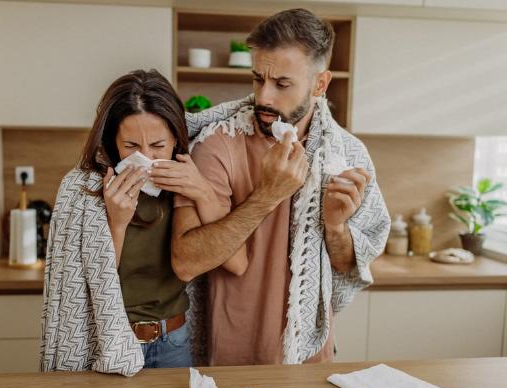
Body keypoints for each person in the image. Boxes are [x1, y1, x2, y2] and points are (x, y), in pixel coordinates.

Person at [165, 9, 391, 366]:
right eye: (258, 79)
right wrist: (267, 195)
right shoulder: (217, 145)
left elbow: (349, 265)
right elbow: (186, 262)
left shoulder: (348, 156)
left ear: (320, 84)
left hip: (312, 356)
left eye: (282, 84)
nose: (264, 97)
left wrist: (335, 227)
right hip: (233, 355)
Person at [40, 69, 240, 375]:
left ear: (176, 136)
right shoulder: (85, 189)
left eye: (158, 146)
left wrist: (201, 191)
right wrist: (116, 222)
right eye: (132, 146)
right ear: (113, 143)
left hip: (174, 340)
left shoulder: (190, 180)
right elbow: (90, 283)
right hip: (109, 342)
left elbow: (235, 260)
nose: (145, 158)